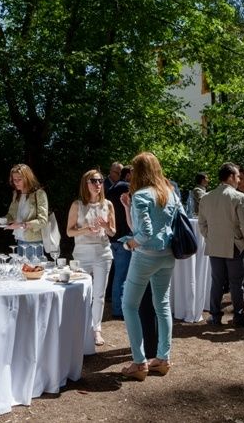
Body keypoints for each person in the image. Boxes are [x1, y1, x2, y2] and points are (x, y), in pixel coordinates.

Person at [118, 152, 177, 381]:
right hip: (167, 255)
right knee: (162, 305)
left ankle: (139, 362)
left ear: (139, 171)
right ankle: (163, 358)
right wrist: (127, 207)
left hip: (145, 256)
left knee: (129, 305)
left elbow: (143, 233)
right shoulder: (170, 193)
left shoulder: (141, 195)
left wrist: (130, 244)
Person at [198, 163, 244, 327]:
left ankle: (215, 316)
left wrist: (210, 237)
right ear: (230, 177)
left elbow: (202, 224)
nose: (239, 180)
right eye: (237, 176)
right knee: (236, 283)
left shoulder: (206, 197)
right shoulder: (238, 197)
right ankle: (238, 316)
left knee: (217, 282)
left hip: (215, 245)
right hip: (235, 245)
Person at [66, 169, 115, 347]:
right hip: (82, 254)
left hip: (103, 253)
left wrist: (106, 226)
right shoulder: (77, 205)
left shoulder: (108, 204)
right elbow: (69, 232)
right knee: (81, 293)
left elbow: (113, 232)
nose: (98, 184)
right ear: (86, 184)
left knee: (99, 294)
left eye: (100, 180)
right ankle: (80, 328)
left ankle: (96, 329)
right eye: (94, 181)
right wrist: (86, 229)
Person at [0, 164, 48, 257]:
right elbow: (11, 215)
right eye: (14, 179)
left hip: (33, 242)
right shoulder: (16, 194)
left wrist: (21, 225)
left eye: (19, 179)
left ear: (27, 178)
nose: (16, 182)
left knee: (32, 266)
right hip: (19, 239)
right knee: (20, 266)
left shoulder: (39, 194)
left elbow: (43, 221)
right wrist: (3, 221)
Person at [107, 165, 132, 319]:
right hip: (123, 237)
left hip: (112, 236)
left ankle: (116, 304)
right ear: (128, 175)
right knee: (121, 275)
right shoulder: (127, 188)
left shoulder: (111, 189)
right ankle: (118, 309)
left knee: (117, 273)